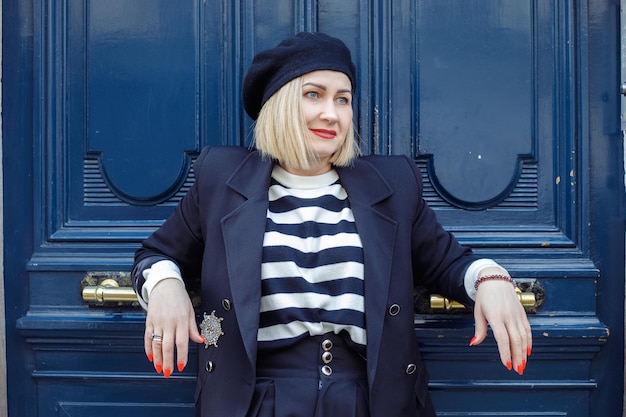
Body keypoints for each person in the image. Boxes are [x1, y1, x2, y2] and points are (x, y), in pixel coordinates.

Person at [132, 32, 532, 417]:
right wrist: (165, 284)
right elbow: (156, 254)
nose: (332, 113)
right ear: (279, 103)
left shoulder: (393, 183)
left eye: (343, 99)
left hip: (369, 398)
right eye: (314, 95)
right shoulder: (221, 177)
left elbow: (447, 262)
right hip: (255, 400)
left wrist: (491, 281)